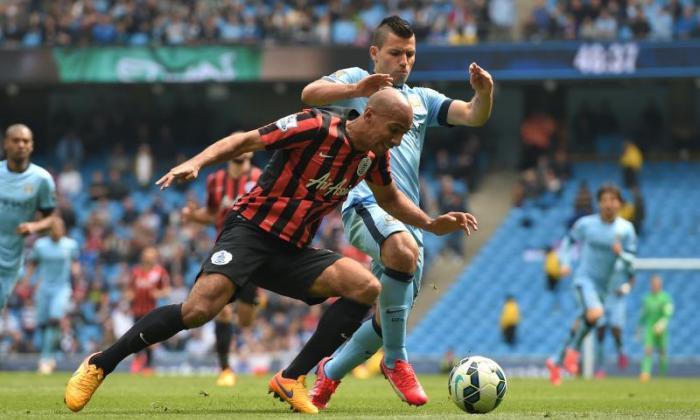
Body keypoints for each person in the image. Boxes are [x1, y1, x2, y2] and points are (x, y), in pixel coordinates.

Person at [64, 88, 477, 414]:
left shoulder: (373, 157)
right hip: (249, 233)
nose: (398, 139)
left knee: (365, 287)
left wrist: (429, 223)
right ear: (368, 115)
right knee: (198, 311)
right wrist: (197, 162)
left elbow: (389, 199)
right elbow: (246, 139)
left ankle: (291, 377)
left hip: (292, 251)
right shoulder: (314, 126)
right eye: (394, 129)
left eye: (404, 132)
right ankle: (101, 363)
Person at [300, 15, 492, 408]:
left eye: (410, 54)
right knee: (401, 260)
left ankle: (327, 375)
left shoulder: (422, 99)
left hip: (406, 215)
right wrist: (357, 88)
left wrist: (484, 93)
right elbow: (310, 94)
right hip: (365, 202)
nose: (404, 61)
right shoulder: (359, 80)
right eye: (395, 53)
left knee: (391, 313)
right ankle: (397, 360)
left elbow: (473, 115)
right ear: (375, 53)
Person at [181, 151, 262, 387]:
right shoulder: (215, 180)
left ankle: (252, 303)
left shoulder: (261, 176)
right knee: (223, 311)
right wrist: (193, 216)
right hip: (224, 251)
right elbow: (212, 212)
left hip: (254, 253)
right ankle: (225, 369)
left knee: (246, 320)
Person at [546, 184, 636, 386]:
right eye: (604, 200)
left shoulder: (626, 229)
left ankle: (555, 360)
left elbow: (632, 260)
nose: (609, 204)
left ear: (619, 204)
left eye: (613, 200)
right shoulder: (586, 224)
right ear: (599, 203)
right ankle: (573, 353)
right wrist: (566, 263)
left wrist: (620, 253)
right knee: (595, 314)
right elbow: (567, 242)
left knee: (584, 321)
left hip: (603, 288)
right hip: (584, 280)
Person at [0, 124, 57, 309]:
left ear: (32, 146)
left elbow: (51, 220)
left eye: (26, 141)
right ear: (5, 144)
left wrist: (34, 227)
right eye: (16, 140)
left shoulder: (42, 179)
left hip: (11, 259)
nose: (21, 145)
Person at [26, 217, 80, 373]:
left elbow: (75, 263)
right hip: (43, 288)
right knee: (43, 324)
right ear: (49, 229)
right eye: (54, 227)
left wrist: (78, 275)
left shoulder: (70, 245)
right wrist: (27, 282)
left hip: (62, 288)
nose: (57, 230)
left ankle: (46, 358)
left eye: (60, 227)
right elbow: (32, 264)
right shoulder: (40, 245)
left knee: (55, 319)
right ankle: (48, 356)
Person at [126, 247, 171, 375]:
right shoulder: (135, 272)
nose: (149, 258)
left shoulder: (160, 272)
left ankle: (148, 365)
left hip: (151, 310)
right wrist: (129, 295)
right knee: (135, 336)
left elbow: (167, 290)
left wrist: (158, 293)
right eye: (146, 255)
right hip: (136, 310)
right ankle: (138, 360)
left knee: (150, 337)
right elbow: (129, 289)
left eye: (151, 255)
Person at [594, 261, 634, 378]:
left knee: (616, 330)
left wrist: (625, 288)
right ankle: (600, 368)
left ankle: (621, 351)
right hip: (602, 299)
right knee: (600, 332)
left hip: (617, 301)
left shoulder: (624, 260)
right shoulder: (601, 258)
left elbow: (632, 278)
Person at [638, 275, 673, 382]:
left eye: (657, 284)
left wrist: (663, 322)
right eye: (654, 284)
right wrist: (639, 328)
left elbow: (668, 312)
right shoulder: (647, 298)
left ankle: (662, 375)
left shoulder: (665, 298)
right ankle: (645, 373)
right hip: (649, 328)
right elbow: (643, 315)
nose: (655, 286)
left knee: (662, 351)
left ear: (660, 285)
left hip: (661, 328)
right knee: (648, 350)